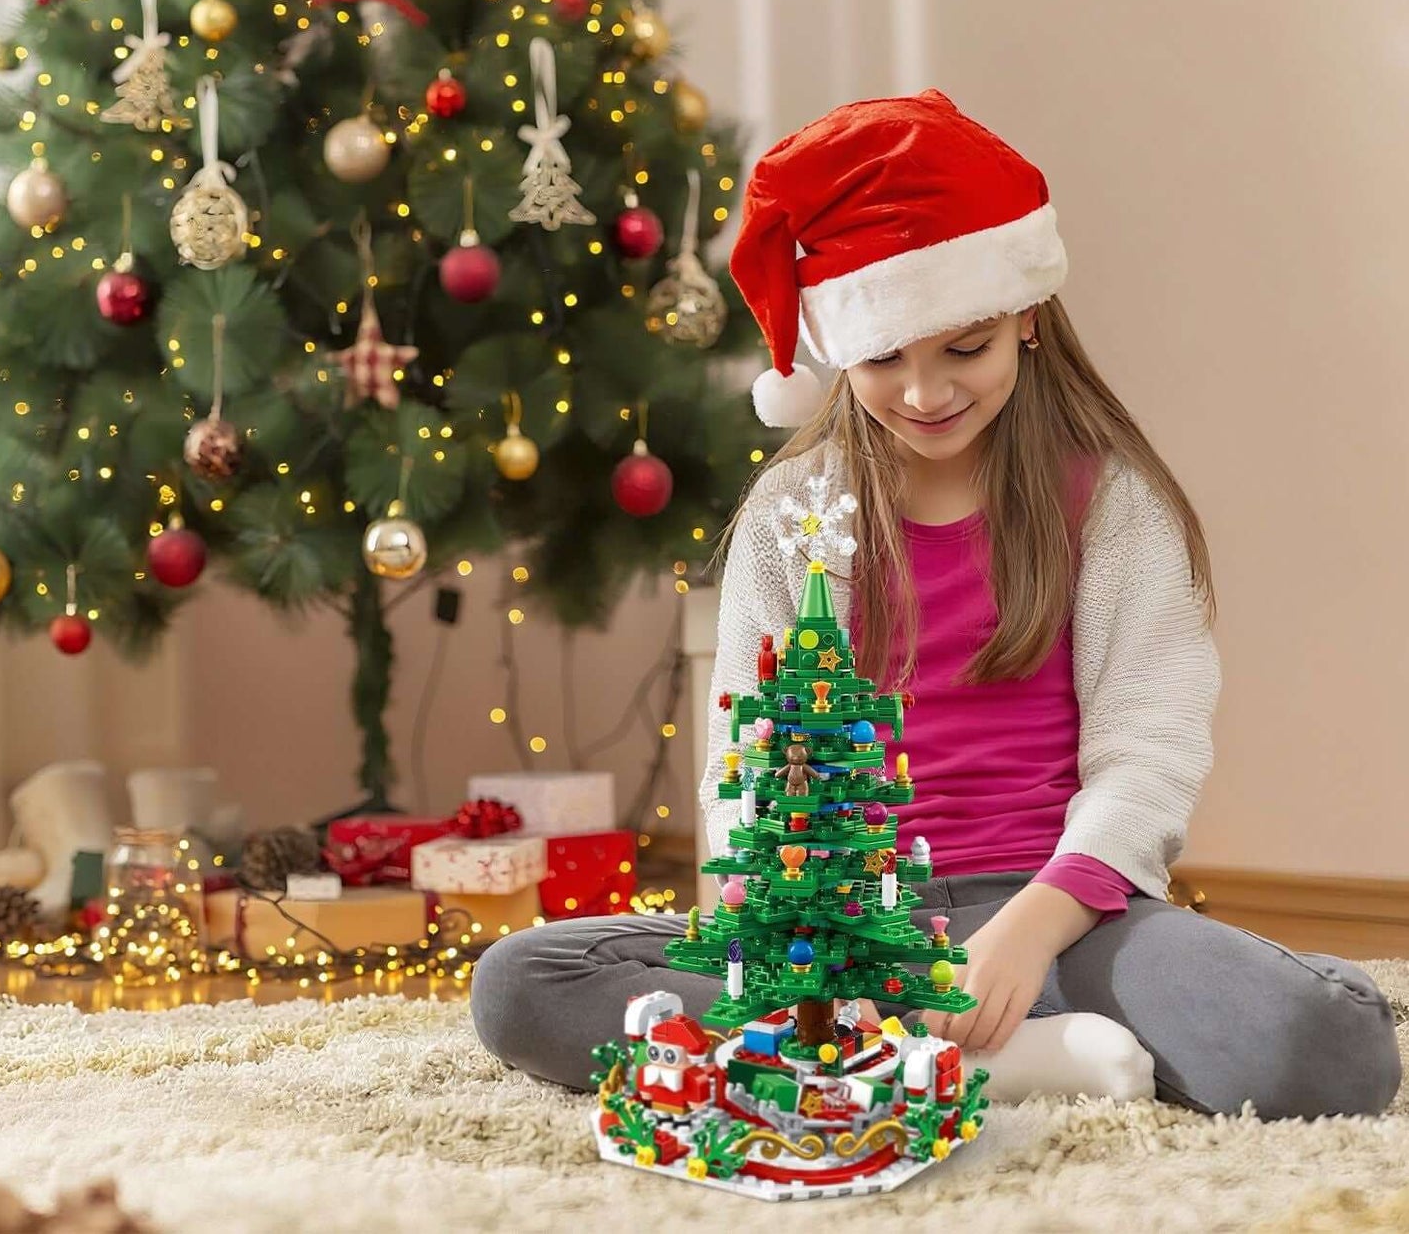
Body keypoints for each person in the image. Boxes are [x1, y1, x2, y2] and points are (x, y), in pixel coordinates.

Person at [472, 89, 1402, 1119]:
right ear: (836, 355)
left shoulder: (1111, 503)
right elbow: (746, 760)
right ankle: (992, 1057)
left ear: (1025, 319)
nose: (923, 394)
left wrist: (1027, 929)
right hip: (841, 932)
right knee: (524, 982)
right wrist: (801, 942)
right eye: (882, 360)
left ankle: (890, 1052)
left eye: (963, 349)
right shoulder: (794, 511)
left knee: (1325, 1052)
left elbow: (1147, 750)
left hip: (1061, 917)